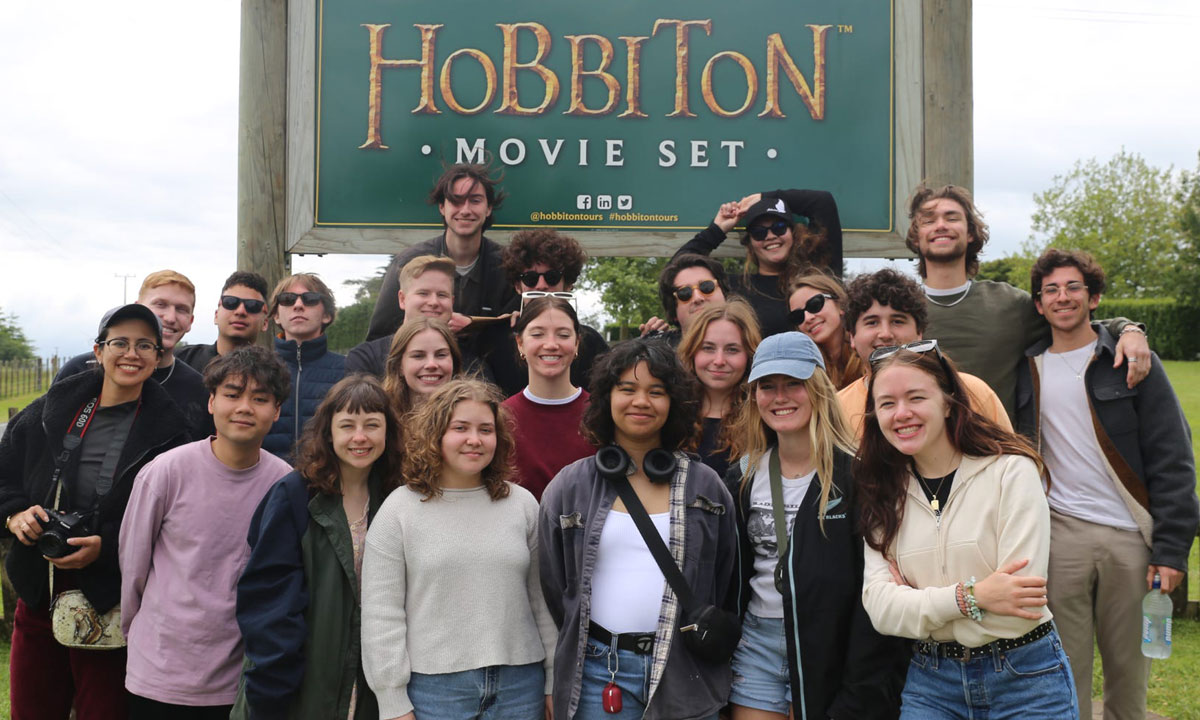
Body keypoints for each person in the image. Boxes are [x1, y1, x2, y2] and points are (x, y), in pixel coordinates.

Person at [1015, 249, 1199, 720]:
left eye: (1073, 287)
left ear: (1093, 297)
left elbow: (1173, 457)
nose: (1062, 297)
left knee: (1128, 674)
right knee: (1063, 671)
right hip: (1060, 538)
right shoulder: (1027, 369)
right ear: (1038, 304)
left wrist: (1171, 550)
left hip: (1129, 538)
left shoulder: (1132, 362)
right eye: (1051, 289)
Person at [857, 345, 1078, 719]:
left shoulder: (1011, 472)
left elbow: (1016, 608)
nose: (902, 413)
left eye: (916, 397)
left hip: (1026, 677)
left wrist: (918, 603)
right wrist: (972, 596)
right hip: (932, 683)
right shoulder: (882, 491)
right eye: (887, 403)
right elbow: (881, 611)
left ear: (947, 402)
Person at [0, 304, 190, 720]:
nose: (131, 353)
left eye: (145, 345)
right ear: (98, 351)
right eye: (119, 342)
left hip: (112, 598)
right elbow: (4, 472)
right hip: (40, 586)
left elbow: (178, 521)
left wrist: (108, 547)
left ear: (158, 358)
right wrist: (14, 514)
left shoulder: (173, 432)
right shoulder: (51, 410)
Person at [539, 338, 737, 720]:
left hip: (688, 673)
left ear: (674, 403)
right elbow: (553, 584)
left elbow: (725, 580)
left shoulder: (707, 487)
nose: (641, 401)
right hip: (599, 672)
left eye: (656, 391)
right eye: (627, 389)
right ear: (606, 399)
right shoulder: (570, 487)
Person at [724, 332, 905, 720]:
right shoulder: (741, 475)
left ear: (819, 389)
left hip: (829, 643)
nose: (780, 397)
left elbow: (874, 586)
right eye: (767, 387)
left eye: (794, 384)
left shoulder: (860, 473)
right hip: (757, 641)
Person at [362, 379, 556, 720]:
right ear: (435, 434)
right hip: (435, 692)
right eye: (460, 428)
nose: (474, 440)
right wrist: (391, 700)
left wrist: (553, 678)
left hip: (521, 686)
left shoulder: (522, 505)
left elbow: (543, 601)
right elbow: (382, 614)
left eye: (485, 429)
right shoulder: (400, 509)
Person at [119, 345, 292, 718]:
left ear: (276, 412)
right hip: (159, 671)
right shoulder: (165, 473)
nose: (245, 407)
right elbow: (132, 566)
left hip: (239, 678)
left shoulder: (286, 485)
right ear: (211, 402)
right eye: (232, 394)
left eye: (260, 399)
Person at [234, 375, 404, 720]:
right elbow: (268, 602)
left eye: (372, 425)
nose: (360, 437)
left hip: (374, 689)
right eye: (347, 425)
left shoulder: (397, 498)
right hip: (298, 687)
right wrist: (269, 692)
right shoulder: (295, 495)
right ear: (329, 432)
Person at [904, 183, 1149, 418]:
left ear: (970, 233)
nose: (941, 225)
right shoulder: (899, 311)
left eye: (952, 217)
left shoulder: (1010, 304)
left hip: (997, 454)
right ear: (916, 237)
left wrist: (1128, 330)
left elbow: (1073, 323)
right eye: (928, 220)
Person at [838, 268, 1010, 436]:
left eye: (897, 321)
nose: (885, 334)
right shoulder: (836, 409)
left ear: (919, 332)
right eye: (872, 322)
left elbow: (1010, 459)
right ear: (852, 336)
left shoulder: (973, 392)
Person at [54, 270, 212, 440]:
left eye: (181, 309)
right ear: (139, 307)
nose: (170, 317)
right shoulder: (79, 370)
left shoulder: (198, 390)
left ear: (191, 321)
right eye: (160, 304)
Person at [366, 163, 516, 341]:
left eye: (475, 200)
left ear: (488, 208)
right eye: (456, 201)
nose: (466, 210)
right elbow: (378, 339)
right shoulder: (408, 262)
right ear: (442, 208)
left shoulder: (508, 266)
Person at [674, 190, 844, 337]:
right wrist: (717, 230)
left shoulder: (819, 274)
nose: (770, 236)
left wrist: (764, 197)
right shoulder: (733, 288)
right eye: (759, 233)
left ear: (793, 233)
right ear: (750, 244)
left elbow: (823, 202)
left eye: (778, 227)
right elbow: (676, 271)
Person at [487, 228, 609, 396]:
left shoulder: (593, 342)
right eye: (530, 278)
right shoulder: (495, 340)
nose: (542, 285)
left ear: (568, 284)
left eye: (552, 277)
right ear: (517, 286)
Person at [501, 295, 596, 501]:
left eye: (563, 335)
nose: (551, 344)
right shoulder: (500, 418)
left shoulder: (600, 414)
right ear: (520, 343)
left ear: (577, 343)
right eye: (537, 334)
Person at [346, 255, 487, 379]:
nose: (433, 302)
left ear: (452, 302)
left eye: (442, 295)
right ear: (402, 299)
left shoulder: (473, 366)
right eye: (423, 293)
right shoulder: (365, 360)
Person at [263, 273, 347, 460]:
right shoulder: (258, 369)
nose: (298, 305)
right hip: (268, 485)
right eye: (287, 299)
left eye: (310, 299)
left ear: (327, 315)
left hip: (328, 484)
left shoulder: (349, 371)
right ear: (276, 315)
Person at [676, 298, 761, 479]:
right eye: (708, 348)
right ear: (692, 352)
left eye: (732, 350)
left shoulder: (763, 417)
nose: (719, 360)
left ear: (749, 355)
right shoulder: (672, 412)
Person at [176, 270, 271, 373]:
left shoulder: (273, 373)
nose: (240, 311)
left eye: (252, 305)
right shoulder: (179, 361)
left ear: (265, 323)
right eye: (230, 302)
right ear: (216, 315)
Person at [786, 272, 863, 390]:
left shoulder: (868, 352)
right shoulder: (802, 369)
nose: (808, 318)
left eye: (814, 305)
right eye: (798, 316)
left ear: (840, 304)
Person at [639, 253, 730, 345]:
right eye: (685, 293)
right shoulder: (657, 353)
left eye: (706, 286)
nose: (698, 298)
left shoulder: (745, 339)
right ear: (674, 313)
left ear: (724, 293)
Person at [381, 317, 462, 416]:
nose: (431, 364)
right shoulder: (380, 417)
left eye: (441, 355)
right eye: (418, 356)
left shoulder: (474, 417)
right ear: (399, 366)